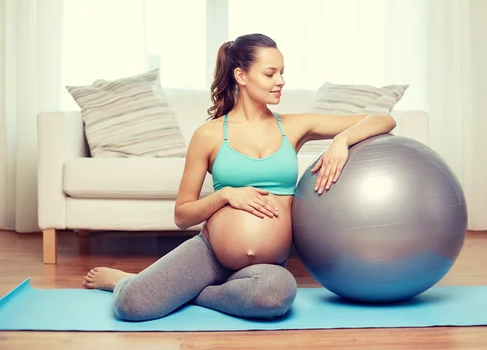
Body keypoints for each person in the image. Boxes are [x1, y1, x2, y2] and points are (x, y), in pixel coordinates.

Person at [82, 33, 396, 321]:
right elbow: (182, 214)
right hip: (209, 253)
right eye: (270, 73)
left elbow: (383, 119)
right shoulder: (209, 135)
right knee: (132, 305)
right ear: (241, 76)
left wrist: (342, 140)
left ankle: (190, 294)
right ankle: (123, 281)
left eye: (282, 72)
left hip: (267, 266)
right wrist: (224, 195)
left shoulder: (295, 126)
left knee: (275, 297)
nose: (281, 81)